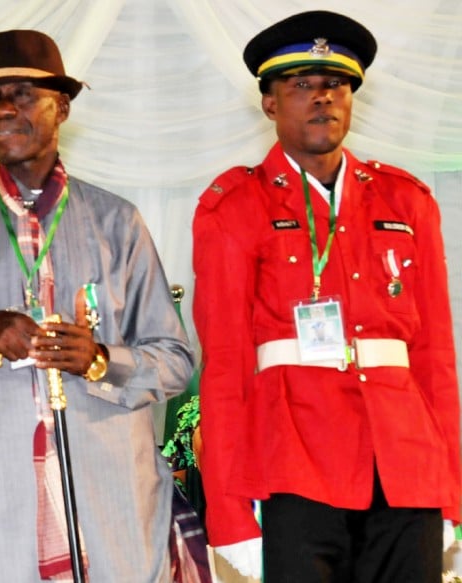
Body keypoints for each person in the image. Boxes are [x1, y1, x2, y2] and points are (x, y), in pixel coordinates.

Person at [0, 29, 193, 582]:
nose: (3, 110)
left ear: (63, 106)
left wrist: (100, 360)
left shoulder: (116, 222)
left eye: (23, 94)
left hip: (109, 505)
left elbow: (175, 359)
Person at [193, 10, 460, 582]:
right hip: (295, 463)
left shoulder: (406, 201)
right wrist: (229, 511)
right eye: (301, 85)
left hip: (406, 462)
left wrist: (453, 492)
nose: (322, 98)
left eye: (335, 84)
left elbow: (436, 358)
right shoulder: (234, 207)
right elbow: (225, 369)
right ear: (269, 103)